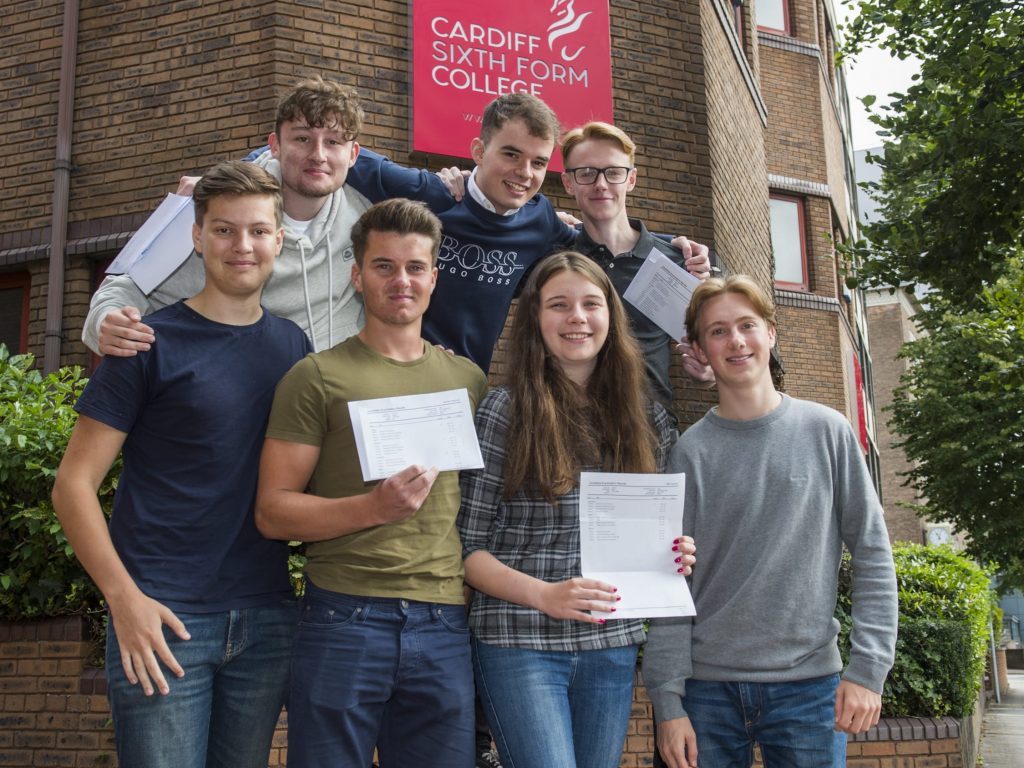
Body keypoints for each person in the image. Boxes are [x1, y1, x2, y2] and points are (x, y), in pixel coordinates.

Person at [51, 161, 312, 768]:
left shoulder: (293, 346)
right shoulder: (145, 342)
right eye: (223, 230)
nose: (240, 246)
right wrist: (124, 600)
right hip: (162, 616)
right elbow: (73, 485)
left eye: (256, 231)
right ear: (196, 237)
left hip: (267, 618)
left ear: (279, 238)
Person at [255, 198, 488, 768]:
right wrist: (372, 508)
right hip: (344, 618)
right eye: (384, 266)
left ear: (434, 277)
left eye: (414, 267)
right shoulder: (314, 377)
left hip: (443, 620)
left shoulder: (468, 380)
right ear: (357, 277)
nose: (400, 280)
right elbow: (272, 512)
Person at [641, 275, 898, 768]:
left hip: (810, 689)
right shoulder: (689, 454)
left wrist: (868, 669)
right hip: (705, 692)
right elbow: (670, 583)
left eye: (747, 325)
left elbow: (872, 554)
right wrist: (668, 702)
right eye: (718, 331)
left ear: (770, 333)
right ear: (699, 349)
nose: (735, 341)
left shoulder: (829, 432)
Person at [456, 251, 696, 768]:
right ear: (535, 320)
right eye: (558, 305)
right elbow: (465, 548)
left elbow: (663, 534)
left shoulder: (646, 421)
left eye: (591, 304)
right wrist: (546, 595)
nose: (577, 318)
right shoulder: (504, 411)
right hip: (518, 639)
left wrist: (675, 553)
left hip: (611, 644)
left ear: (611, 315)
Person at [339, 92, 712, 371]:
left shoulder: (540, 219)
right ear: (478, 151)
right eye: (511, 155)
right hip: (386, 372)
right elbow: (341, 154)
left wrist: (670, 245)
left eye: (538, 162)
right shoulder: (431, 193)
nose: (525, 173)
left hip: (465, 389)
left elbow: (599, 239)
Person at [83, 75, 371, 356]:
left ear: (353, 154)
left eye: (333, 142)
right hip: (227, 394)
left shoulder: (365, 221)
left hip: (321, 398)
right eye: (303, 138)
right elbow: (123, 287)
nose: (318, 154)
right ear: (275, 145)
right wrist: (107, 321)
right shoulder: (215, 212)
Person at [560, 121, 719, 416]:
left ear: (631, 179)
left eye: (614, 172)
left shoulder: (678, 261)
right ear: (568, 183)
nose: (601, 183)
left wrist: (708, 371)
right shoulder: (557, 259)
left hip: (650, 428)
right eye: (586, 173)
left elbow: (711, 354)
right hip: (568, 425)